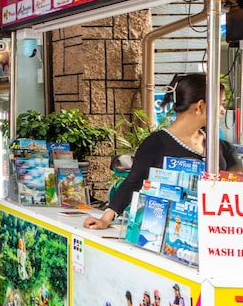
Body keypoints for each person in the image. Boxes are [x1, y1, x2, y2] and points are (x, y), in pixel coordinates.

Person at [84, 73, 242, 230]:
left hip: (217, 232)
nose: (223, 111)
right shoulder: (156, 144)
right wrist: (105, 219)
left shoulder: (222, 147)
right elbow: (133, 182)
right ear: (200, 106)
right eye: (220, 104)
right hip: (170, 233)